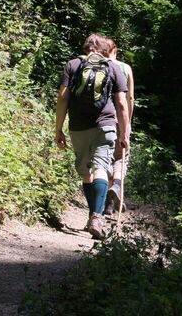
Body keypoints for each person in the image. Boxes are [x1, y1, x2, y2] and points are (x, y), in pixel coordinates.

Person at [55, 33, 129, 239]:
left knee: (86, 172)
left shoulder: (73, 65)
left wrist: (58, 128)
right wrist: (124, 133)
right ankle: (97, 216)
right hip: (105, 125)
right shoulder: (113, 67)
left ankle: (93, 214)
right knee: (101, 168)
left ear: (86, 47)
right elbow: (122, 103)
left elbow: (62, 99)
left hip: (78, 126)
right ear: (105, 49)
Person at [104, 38, 134, 215]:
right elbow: (129, 98)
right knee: (121, 158)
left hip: (101, 119)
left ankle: (107, 204)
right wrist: (127, 123)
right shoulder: (125, 68)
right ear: (116, 50)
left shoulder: (96, 66)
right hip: (119, 118)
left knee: (104, 157)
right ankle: (116, 185)